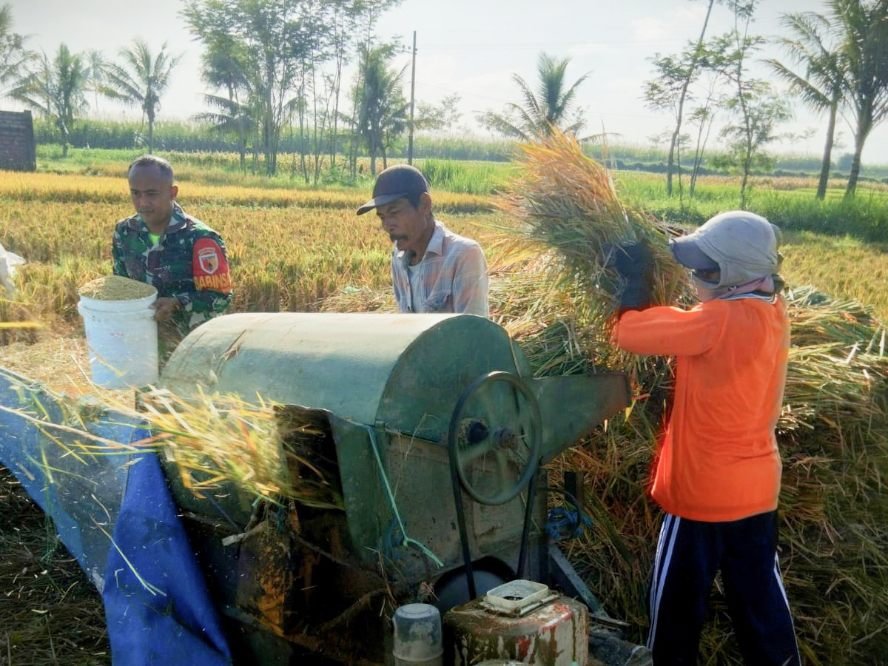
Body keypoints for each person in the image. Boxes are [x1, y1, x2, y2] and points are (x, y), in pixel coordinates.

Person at [610, 211, 801, 665]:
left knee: (676, 610)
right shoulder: (774, 312)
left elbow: (628, 333)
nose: (695, 277)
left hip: (702, 497)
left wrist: (633, 284)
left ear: (731, 275)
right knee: (761, 604)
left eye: (704, 269)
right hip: (757, 494)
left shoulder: (716, 320)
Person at [113, 155, 232, 356]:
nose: (143, 202)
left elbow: (220, 297)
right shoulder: (125, 232)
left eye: (151, 194)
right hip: (141, 347)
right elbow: (121, 285)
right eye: (135, 193)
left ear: (172, 193)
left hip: (189, 350)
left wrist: (177, 303)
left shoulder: (201, 239)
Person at [356, 164, 489, 317]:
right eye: (382, 217)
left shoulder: (464, 255)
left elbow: (473, 328)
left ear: (425, 205)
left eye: (394, 212)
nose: (387, 226)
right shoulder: (398, 259)